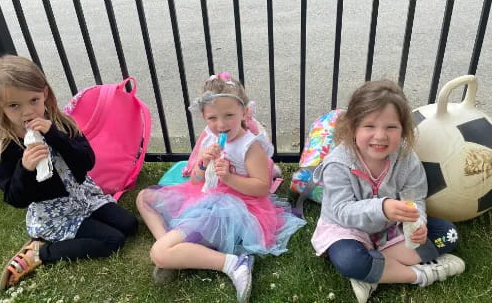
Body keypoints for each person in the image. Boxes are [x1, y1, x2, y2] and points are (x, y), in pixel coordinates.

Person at [136, 72, 305, 303]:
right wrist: (203, 164)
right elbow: (196, 181)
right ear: (204, 117)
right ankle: (180, 251)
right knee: (144, 198)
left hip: (235, 208)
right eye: (212, 118)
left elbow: (262, 188)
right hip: (204, 195)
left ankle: (233, 263)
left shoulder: (249, 146)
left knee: (159, 253)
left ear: (244, 112)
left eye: (229, 116)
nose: (221, 124)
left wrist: (229, 178)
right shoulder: (209, 136)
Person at [0, 55, 138, 290]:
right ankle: (41, 252)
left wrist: (56, 135)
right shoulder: (5, 148)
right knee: (112, 240)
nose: (27, 112)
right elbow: (15, 198)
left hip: (86, 198)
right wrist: (25, 169)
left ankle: (88, 223)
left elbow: (87, 161)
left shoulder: (62, 124)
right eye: (14, 105)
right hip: (56, 213)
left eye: (33, 100)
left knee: (129, 225)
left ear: (44, 93)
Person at [311, 80, 465, 303]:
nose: (380, 136)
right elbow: (342, 210)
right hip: (347, 229)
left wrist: (417, 224)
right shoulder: (337, 164)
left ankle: (373, 272)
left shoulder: (406, 158)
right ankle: (420, 274)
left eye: (391, 127)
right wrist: (382, 207)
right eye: (369, 126)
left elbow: (415, 197)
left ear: (403, 129)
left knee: (448, 235)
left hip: (391, 229)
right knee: (349, 261)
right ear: (353, 127)